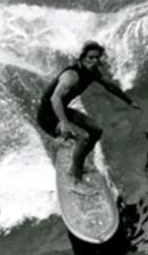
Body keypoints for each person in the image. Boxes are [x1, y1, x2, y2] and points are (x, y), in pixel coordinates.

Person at [37, 41, 140, 185]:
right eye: (90, 58)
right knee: (81, 138)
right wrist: (64, 124)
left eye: (97, 58)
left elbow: (109, 86)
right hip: (47, 115)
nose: (94, 61)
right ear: (82, 58)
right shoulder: (71, 76)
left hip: (61, 110)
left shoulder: (93, 72)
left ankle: (79, 163)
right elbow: (55, 99)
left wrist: (129, 101)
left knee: (96, 130)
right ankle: (75, 177)